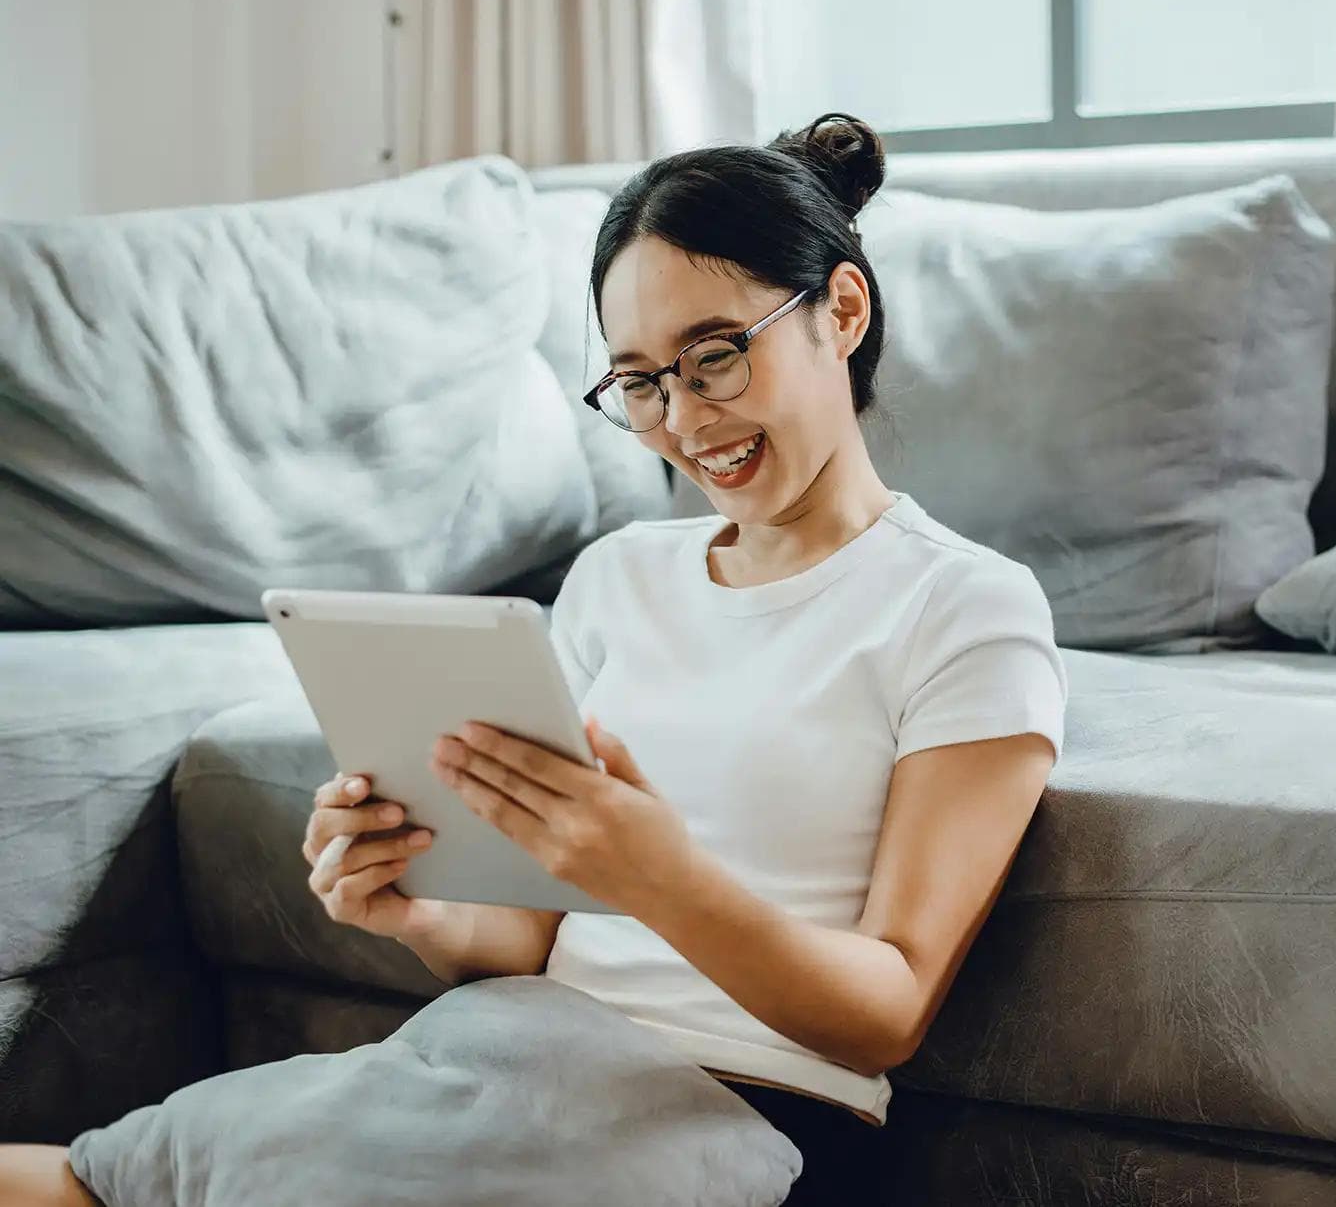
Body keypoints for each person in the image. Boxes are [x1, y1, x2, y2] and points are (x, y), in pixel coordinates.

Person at [0, 112, 1067, 1205]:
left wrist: (658, 878)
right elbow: (524, 941)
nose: (685, 420)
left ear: (841, 310)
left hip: (735, 1119)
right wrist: (419, 910)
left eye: (715, 356)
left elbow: (888, 1010)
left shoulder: (962, 606)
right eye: (641, 383)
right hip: (499, 1059)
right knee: (91, 1180)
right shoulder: (617, 579)